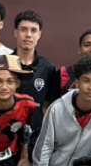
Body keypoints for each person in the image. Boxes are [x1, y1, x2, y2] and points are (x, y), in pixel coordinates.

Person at [10, 10, 58, 145]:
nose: (28, 35)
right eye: (23, 30)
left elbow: (47, 106)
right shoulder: (3, 63)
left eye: (33, 30)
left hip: (36, 139)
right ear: (15, 33)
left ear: (39, 34)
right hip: (6, 134)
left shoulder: (48, 67)